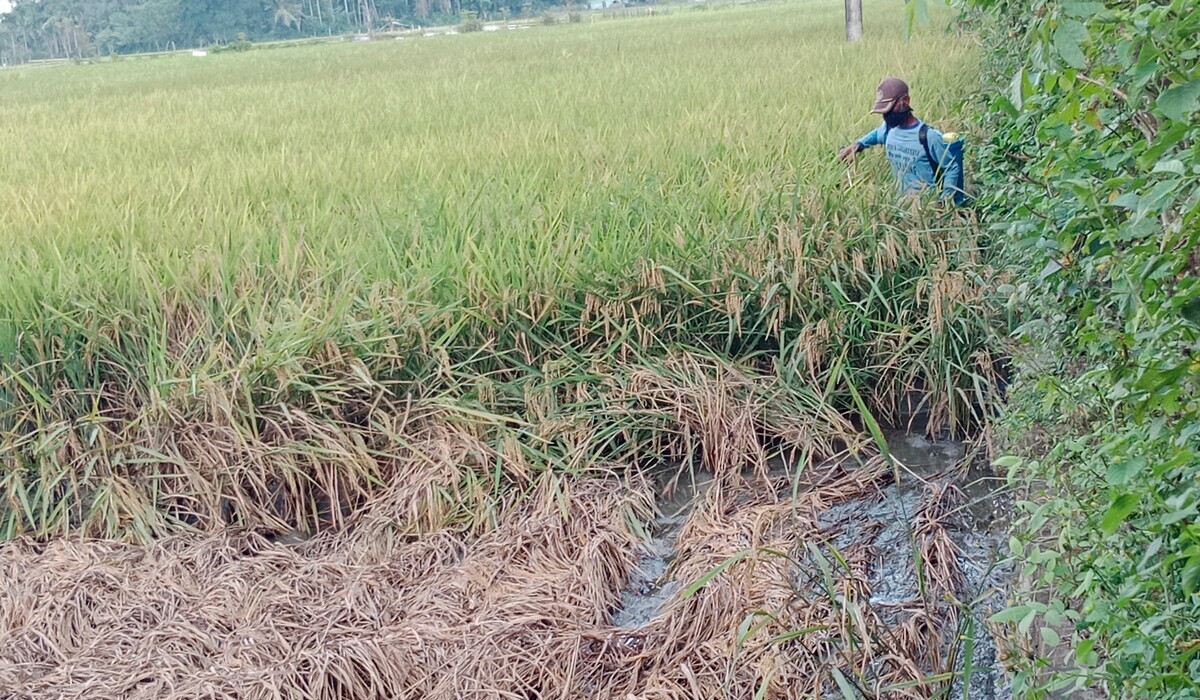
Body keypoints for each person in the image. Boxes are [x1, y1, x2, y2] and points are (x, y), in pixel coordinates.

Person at [837, 77, 965, 205]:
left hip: (926, 210)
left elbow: (952, 168)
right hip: (900, 207)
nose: (885, 115)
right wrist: (858, 145)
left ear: (905, 101)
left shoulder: (929, 137)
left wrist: (944, 202)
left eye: (889, 108)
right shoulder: (889, 128)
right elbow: (876, 134)